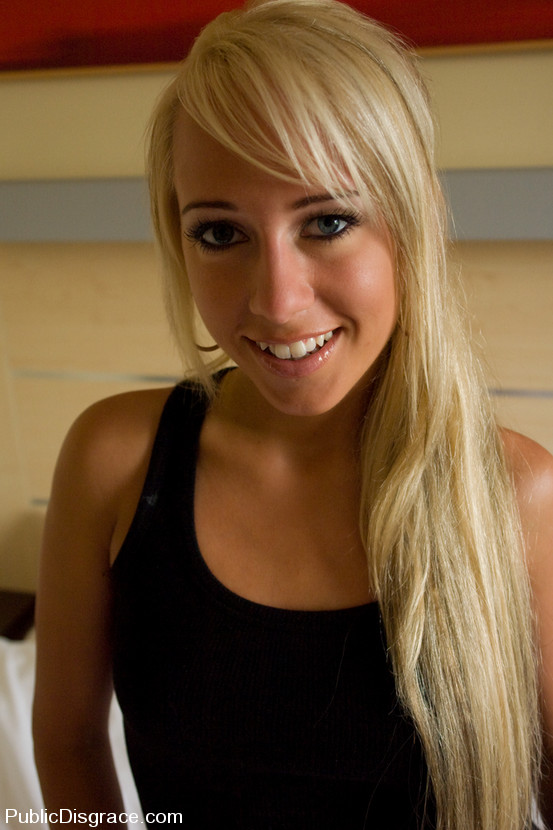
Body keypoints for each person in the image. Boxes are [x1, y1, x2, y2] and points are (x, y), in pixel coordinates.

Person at [32, 0, 553, 828]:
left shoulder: (518, 496)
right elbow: (66, 744)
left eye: (328, 222)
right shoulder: (115, 460)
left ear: (413, 223)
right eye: (219, 234)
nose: (276, 301)